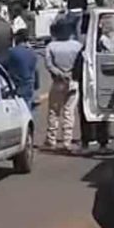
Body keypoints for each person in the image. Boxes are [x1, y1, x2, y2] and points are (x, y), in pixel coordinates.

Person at [44, 19, 83, 152]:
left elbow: (49, 65)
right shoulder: (77, 46)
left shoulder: (51, 46)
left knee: (54, 112)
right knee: (69, 112)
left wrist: (60, 73)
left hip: (58, 82)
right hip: (73, 81)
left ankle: (51, 139)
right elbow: (81, 63)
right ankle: (67, 140)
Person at [7, 30, 39, 112]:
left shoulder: (12, 52)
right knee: (27, 107)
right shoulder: (32, 53)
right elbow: (35, 70)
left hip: (16, 84)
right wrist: (36, 84)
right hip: (29, 84)